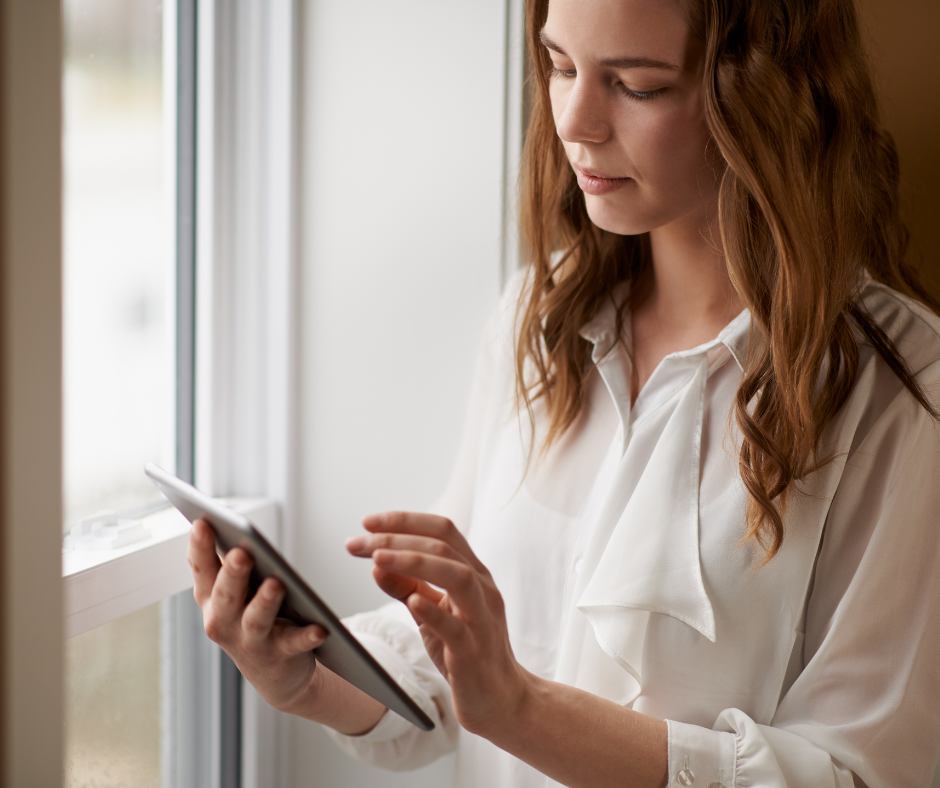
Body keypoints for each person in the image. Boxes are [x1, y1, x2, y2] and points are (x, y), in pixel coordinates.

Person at [186, 0, 940, 785]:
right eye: (560, 66)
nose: (574, 121)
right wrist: (303, 675)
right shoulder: (535, 318)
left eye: (638, 85)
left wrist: (521, 709)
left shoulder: (900, 388)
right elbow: (454, 675)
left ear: (767, 96)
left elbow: (858, 775)